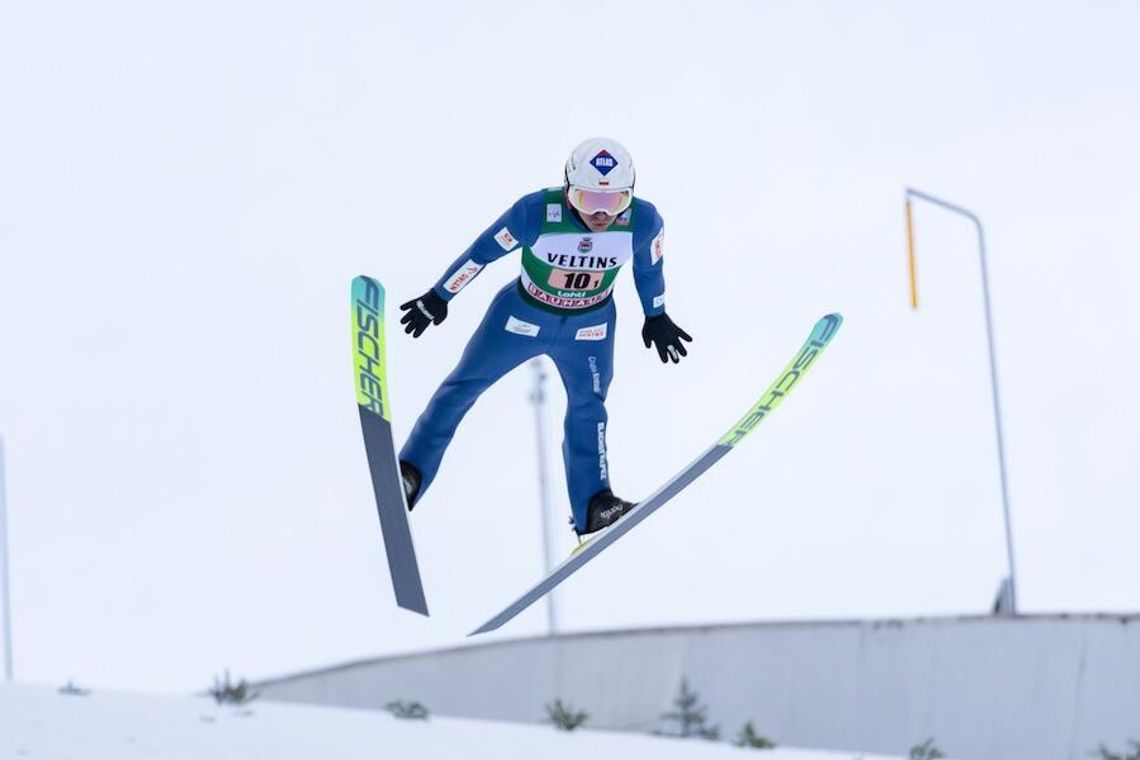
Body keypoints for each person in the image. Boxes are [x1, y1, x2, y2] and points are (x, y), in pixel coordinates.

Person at [396, 137, 692, 538]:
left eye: (615, 201)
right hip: (521, 316)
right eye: (589, 200)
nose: (602, 214)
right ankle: (411, 472)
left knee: (590, 407)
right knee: (462, 386)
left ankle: (594, 505)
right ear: (568, 190)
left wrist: (655, 314)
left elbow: (649, 270)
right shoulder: (536, 213)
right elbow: (481, 252)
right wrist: (439, 295)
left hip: (590, 328)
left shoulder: (643, 222)